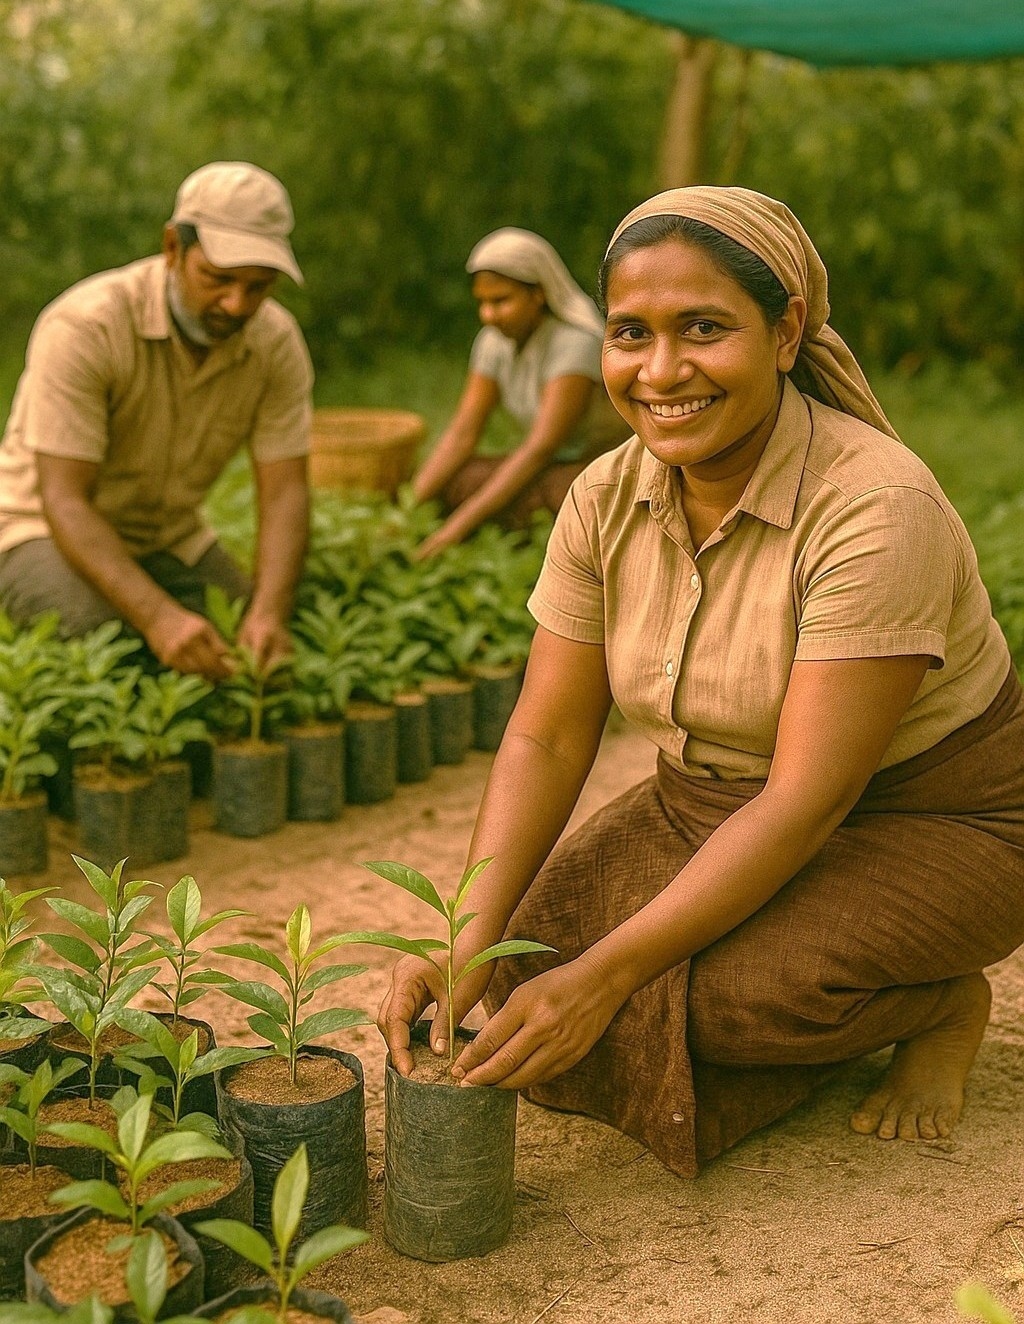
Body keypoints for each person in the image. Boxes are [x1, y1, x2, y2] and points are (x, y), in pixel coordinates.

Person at [377, 186, 1024, 1176]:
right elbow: (545, 735)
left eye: (704, 329)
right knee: (523, 976)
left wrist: (610, 974)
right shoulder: (604, 496)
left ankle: (937, 1001)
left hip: (938, 817)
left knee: (713, 998)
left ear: (784, 331)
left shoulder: (875, 507)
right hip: (713, 803)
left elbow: (808, 799)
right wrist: (464, 944)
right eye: (630, 332)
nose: (661, 370)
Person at [0, 161, 313, 681]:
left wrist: (268, 613)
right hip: (36, 527)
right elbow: (64, 499)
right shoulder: (87, 326)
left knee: (240, 631)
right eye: (217, 279)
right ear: (173, 248)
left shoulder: (275, 343)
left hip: (164, 536)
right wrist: (159, 617)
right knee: (104, 640)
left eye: (258, 287)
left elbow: (285, 492)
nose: (236, 305)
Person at [412, 227, 629, 558]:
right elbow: (463, 432)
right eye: (482, 302)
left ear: (538, 294)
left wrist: (451, 532)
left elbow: (539, 449)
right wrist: (405, 509)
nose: (488, 314)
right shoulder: (492, 342)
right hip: (549, 466)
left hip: (598, 469)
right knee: (460, 479)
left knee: (567, 499)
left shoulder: (574, 343)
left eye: (501, 301)